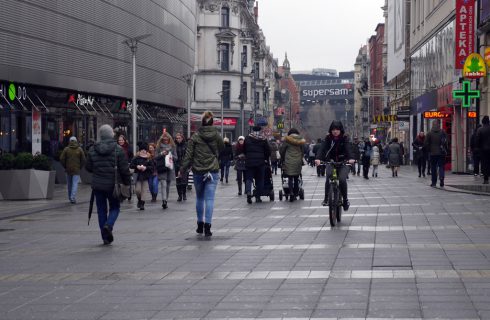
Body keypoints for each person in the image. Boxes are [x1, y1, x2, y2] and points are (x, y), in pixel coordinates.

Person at [179, 111, 224, 236]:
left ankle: (200, 224)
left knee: (199, 198)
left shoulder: (195, 137)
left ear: (202, 122)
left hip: (198, 171)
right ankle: (208, 226)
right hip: (212, 170)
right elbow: (222, 148)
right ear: (212, 122)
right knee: (209, 199)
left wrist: (182, 169)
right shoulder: (217, 135)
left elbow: (188, 155)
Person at [85, 124, 131, 245]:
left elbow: (88, 167)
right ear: (111, 135)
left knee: (101, 210)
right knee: (115, 207)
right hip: (113, 185)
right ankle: (109, 225)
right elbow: (124, 169)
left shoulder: (92, 149)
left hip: (98, 185)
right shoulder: (118, 149)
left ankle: (105, 237)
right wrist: (127, 183)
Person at [315, 120, 354, 209]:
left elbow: (348, 149)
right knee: (329, 176)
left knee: (342, 179)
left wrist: (351, 158)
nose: (335, 131)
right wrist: (318, 158)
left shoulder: (344, 138)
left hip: (343, 162)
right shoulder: (328, 138)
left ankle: (345, 200)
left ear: (340, 130)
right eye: (333, 129)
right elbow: (322, 148)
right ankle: (326, 198)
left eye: (337, 129)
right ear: (330, 130)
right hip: (331, 162)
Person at [244, 126, 271, 204]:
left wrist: (248, 156)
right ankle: (258, 197)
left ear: (253, 130)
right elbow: (267, 151)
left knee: (249, 178)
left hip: (249, 162)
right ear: (260, 131)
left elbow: (244, 149)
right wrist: (265, 158)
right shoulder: (263, 139)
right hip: (260, 162)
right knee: (260, 179)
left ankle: (248, 192)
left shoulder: (247, 138)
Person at [279, 128, 306, 202]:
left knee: (290, 177)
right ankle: (296, 193)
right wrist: (301, 158)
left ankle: (290, 192)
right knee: (296, 178)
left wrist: (283, 158)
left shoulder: (287, 140)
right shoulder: (300, 140)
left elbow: (282, 150)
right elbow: (302, 151)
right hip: (297, 161)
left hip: (288, 161)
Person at [60, 136, 86, 204]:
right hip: (76, 169)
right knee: (75, 184)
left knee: (69, 184)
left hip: (68, 169)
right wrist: (80, 166)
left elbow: (61, 159)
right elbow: (83, 159)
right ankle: (72, 197)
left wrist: (65, 166)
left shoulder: (66, 149)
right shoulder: (79, 149)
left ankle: (70, 197)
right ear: (76, 141)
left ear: (69, 141)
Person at [130, 143, 154, 210]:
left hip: (146, 176)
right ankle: (139, 199)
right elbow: (131, 165)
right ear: (139, 150)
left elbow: (152, 167)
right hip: (138, 176)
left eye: (145, 150)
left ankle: (142, 204)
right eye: (142, 150)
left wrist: (146, 168)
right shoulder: (136, 158)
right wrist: (137, 166)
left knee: (144, 190)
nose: (143, 151)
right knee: (138, 190)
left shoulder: (148, 158)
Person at [155, 132, 176, 209]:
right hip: (162, 167)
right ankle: (164, 200)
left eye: (167, 140)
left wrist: (170, 154)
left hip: (170, 168)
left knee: (167, 185)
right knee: (163, 184)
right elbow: (155, 157)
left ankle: (166, 199)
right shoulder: (158, 147)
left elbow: (176, 157)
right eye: (164, 140)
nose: (165, 141)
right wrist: (161, 153)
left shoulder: (173, 146)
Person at [424, 120, 448, 187]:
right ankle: (441, 179)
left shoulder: (429, 133)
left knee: (433, 168)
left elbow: (425, 144)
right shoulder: (443, 132)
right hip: (441, 153)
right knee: (441, 167)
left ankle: (434, 182)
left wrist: (429, 150)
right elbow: (446, 142)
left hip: (432, 153)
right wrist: (446, 150)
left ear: (432, 125)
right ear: (439, 124)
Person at [174, 132, 188, 201]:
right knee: (178, 181)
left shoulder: (186, 145)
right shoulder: (174, 146)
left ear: (182, 138)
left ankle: (184, 194)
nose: (178, 139)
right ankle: (179, 195)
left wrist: (186, 165)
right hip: (176, 165)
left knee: (184, 181)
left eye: (179, 138)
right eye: (177, 138)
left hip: (184, 165)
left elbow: (187, 155)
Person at [476, 115, 490, 184]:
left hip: (483, 149)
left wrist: (478, 148)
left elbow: (477, 140)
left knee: (484, 164)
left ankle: (486, 179)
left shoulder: (480, 129)